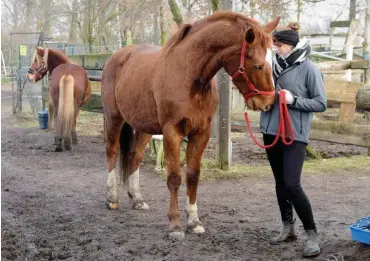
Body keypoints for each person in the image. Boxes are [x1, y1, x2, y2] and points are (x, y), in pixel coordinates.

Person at [259, 22, 327, 258]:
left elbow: (320, 103)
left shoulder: (310, 69)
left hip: (294, 135)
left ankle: (311, 234)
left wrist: (294, 100)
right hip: (271, 131)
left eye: (279, 46)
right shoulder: (271, 67)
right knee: (280, 183)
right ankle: (288, 228)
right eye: (275, 45)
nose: (276, 50)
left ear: (290, 45)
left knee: (292, 184)